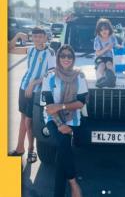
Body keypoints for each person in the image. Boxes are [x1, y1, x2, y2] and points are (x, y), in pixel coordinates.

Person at [41, 45, 86, 197]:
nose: (66, 59)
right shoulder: (50, 76)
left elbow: (81, 103)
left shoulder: (79, 76)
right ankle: (74, 185)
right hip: (52, 120)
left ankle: (62, 192)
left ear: (73, 59)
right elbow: (48, 107)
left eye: (69, 56)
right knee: (63, 143)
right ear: (58, 58)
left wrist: (61, 106)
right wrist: (60, 125)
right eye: (63, 56)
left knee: (62, 149)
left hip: (73, 120)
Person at [8, 27, 56, 163]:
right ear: (32, 37)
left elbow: (51, 74)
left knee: (30, 122)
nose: (37, 39)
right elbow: (9, 49)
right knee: (24, 119)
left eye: (40, 36)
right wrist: (17, 35)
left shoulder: (49, 52)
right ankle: (19, 148)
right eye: (35, 36)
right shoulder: (30, 50)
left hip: (36, 91)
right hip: (24, 88)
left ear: (45, 38)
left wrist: (34, 83)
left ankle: (30, 150)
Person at [93, 18, 120, 88]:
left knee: (109, 64)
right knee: (101, 65)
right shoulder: (97, 39)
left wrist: (119, 47)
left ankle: (112, 80)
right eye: (101, 30)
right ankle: (100, 80)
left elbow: (116, 46)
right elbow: (97, 53)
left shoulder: (113, 38)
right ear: (98, 31)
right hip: (100, 57)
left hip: (109, 57)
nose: (103, 31)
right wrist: (106, 48)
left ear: (109, 29)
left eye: (105, 29)